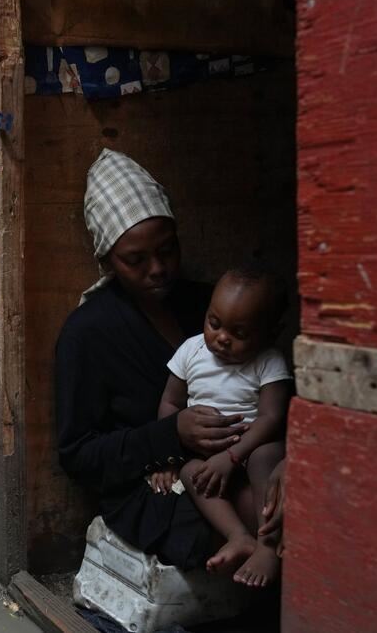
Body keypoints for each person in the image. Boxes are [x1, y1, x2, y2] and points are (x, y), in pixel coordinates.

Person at [55, 149, 249, 569]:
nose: (158, 268)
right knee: (235, 516)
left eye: (167, 250)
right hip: (150, 488)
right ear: (107, 259)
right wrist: (169, 435)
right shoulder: (88, 333)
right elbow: (78, 455)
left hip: (239, 459)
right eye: (135, 260)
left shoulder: (209, 307)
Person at [151, 264, 291, 587]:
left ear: (271, 332)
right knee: (190, 471)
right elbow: (170, 403)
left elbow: (272, 418)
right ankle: (238, 536)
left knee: (266, 457)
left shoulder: (269, 360)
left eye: (239, 333)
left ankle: (268, 545)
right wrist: (167, 456)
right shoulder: (191, 350)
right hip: (206, 456)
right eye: (214, 323)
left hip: (250, 451)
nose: (222, 338)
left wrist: (232, 456)